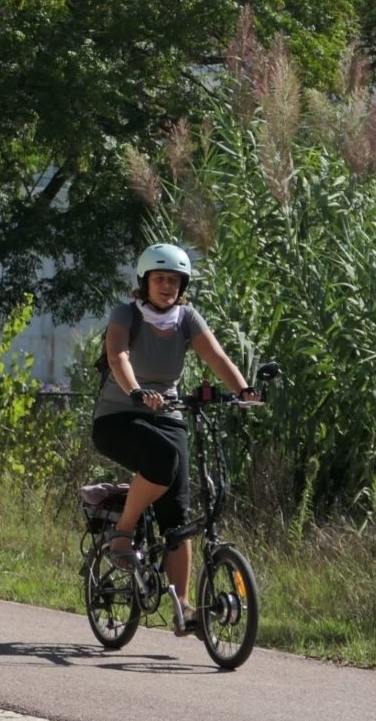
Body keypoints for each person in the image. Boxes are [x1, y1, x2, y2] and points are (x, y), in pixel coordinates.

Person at [91, 242, 256, 636]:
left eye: (174, 280)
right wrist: (135, 391)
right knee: (163, 459)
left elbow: (216, 357)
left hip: (167, 417)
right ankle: (123, 532)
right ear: (144, 281)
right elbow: (118, 357)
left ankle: (182, 606)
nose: (167, 286)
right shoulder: (125, 314)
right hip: (119, 417)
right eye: (159, 278)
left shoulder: (186, 319)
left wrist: (243, 389)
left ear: (182, 285)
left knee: (177, 518)